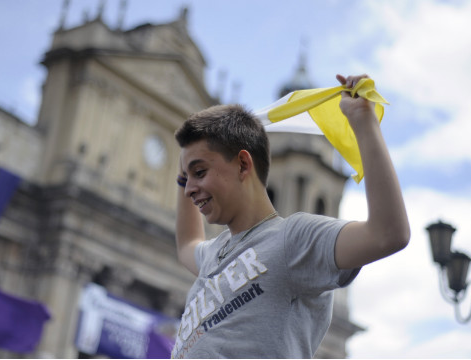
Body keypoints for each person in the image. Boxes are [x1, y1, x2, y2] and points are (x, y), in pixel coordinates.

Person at [170, 74, 410, 359]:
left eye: (200, 173)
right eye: (188, 178)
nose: (189, 190)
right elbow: (187, 244)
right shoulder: (215, 254)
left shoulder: (292, 238)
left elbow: (388, 234)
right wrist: (183, 176)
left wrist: (363, 123)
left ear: (243, 165)